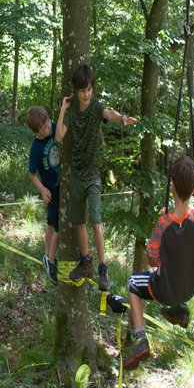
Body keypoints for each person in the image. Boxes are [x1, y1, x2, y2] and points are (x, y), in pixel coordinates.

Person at [56, 64, 137, 291]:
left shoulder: (95, 107)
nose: (86, 94)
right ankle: (86, 262)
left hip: (92, 175)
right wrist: (63, 109)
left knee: (95, 220)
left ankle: (103, 267)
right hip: (76, 175)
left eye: (89, 89)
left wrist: (121, 119)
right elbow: (59, 136)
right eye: (82, 90)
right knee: (79, 222)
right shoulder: (72, 111)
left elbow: (108, 113)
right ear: (76, 90)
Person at [124, 156, 194, 370]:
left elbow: (152, 260)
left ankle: (141, 338)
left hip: (165, 290)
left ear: (172, 187)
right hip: (190, 288)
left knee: (133, 283)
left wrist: (159, 224)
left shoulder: (164, 223)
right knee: (180, 270)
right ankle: (180, 309)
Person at [26, 106, 61, 286]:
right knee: (57, 225)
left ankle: (47, 254)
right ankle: (51, 260)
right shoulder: (36, 148)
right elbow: (31, 173)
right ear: (36, 132)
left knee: (51, 223)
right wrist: (42, 189)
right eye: (44, 127)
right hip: (51, 189)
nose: (49, 128)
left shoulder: (55, 126)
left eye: (48, 123)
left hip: (63, 183)